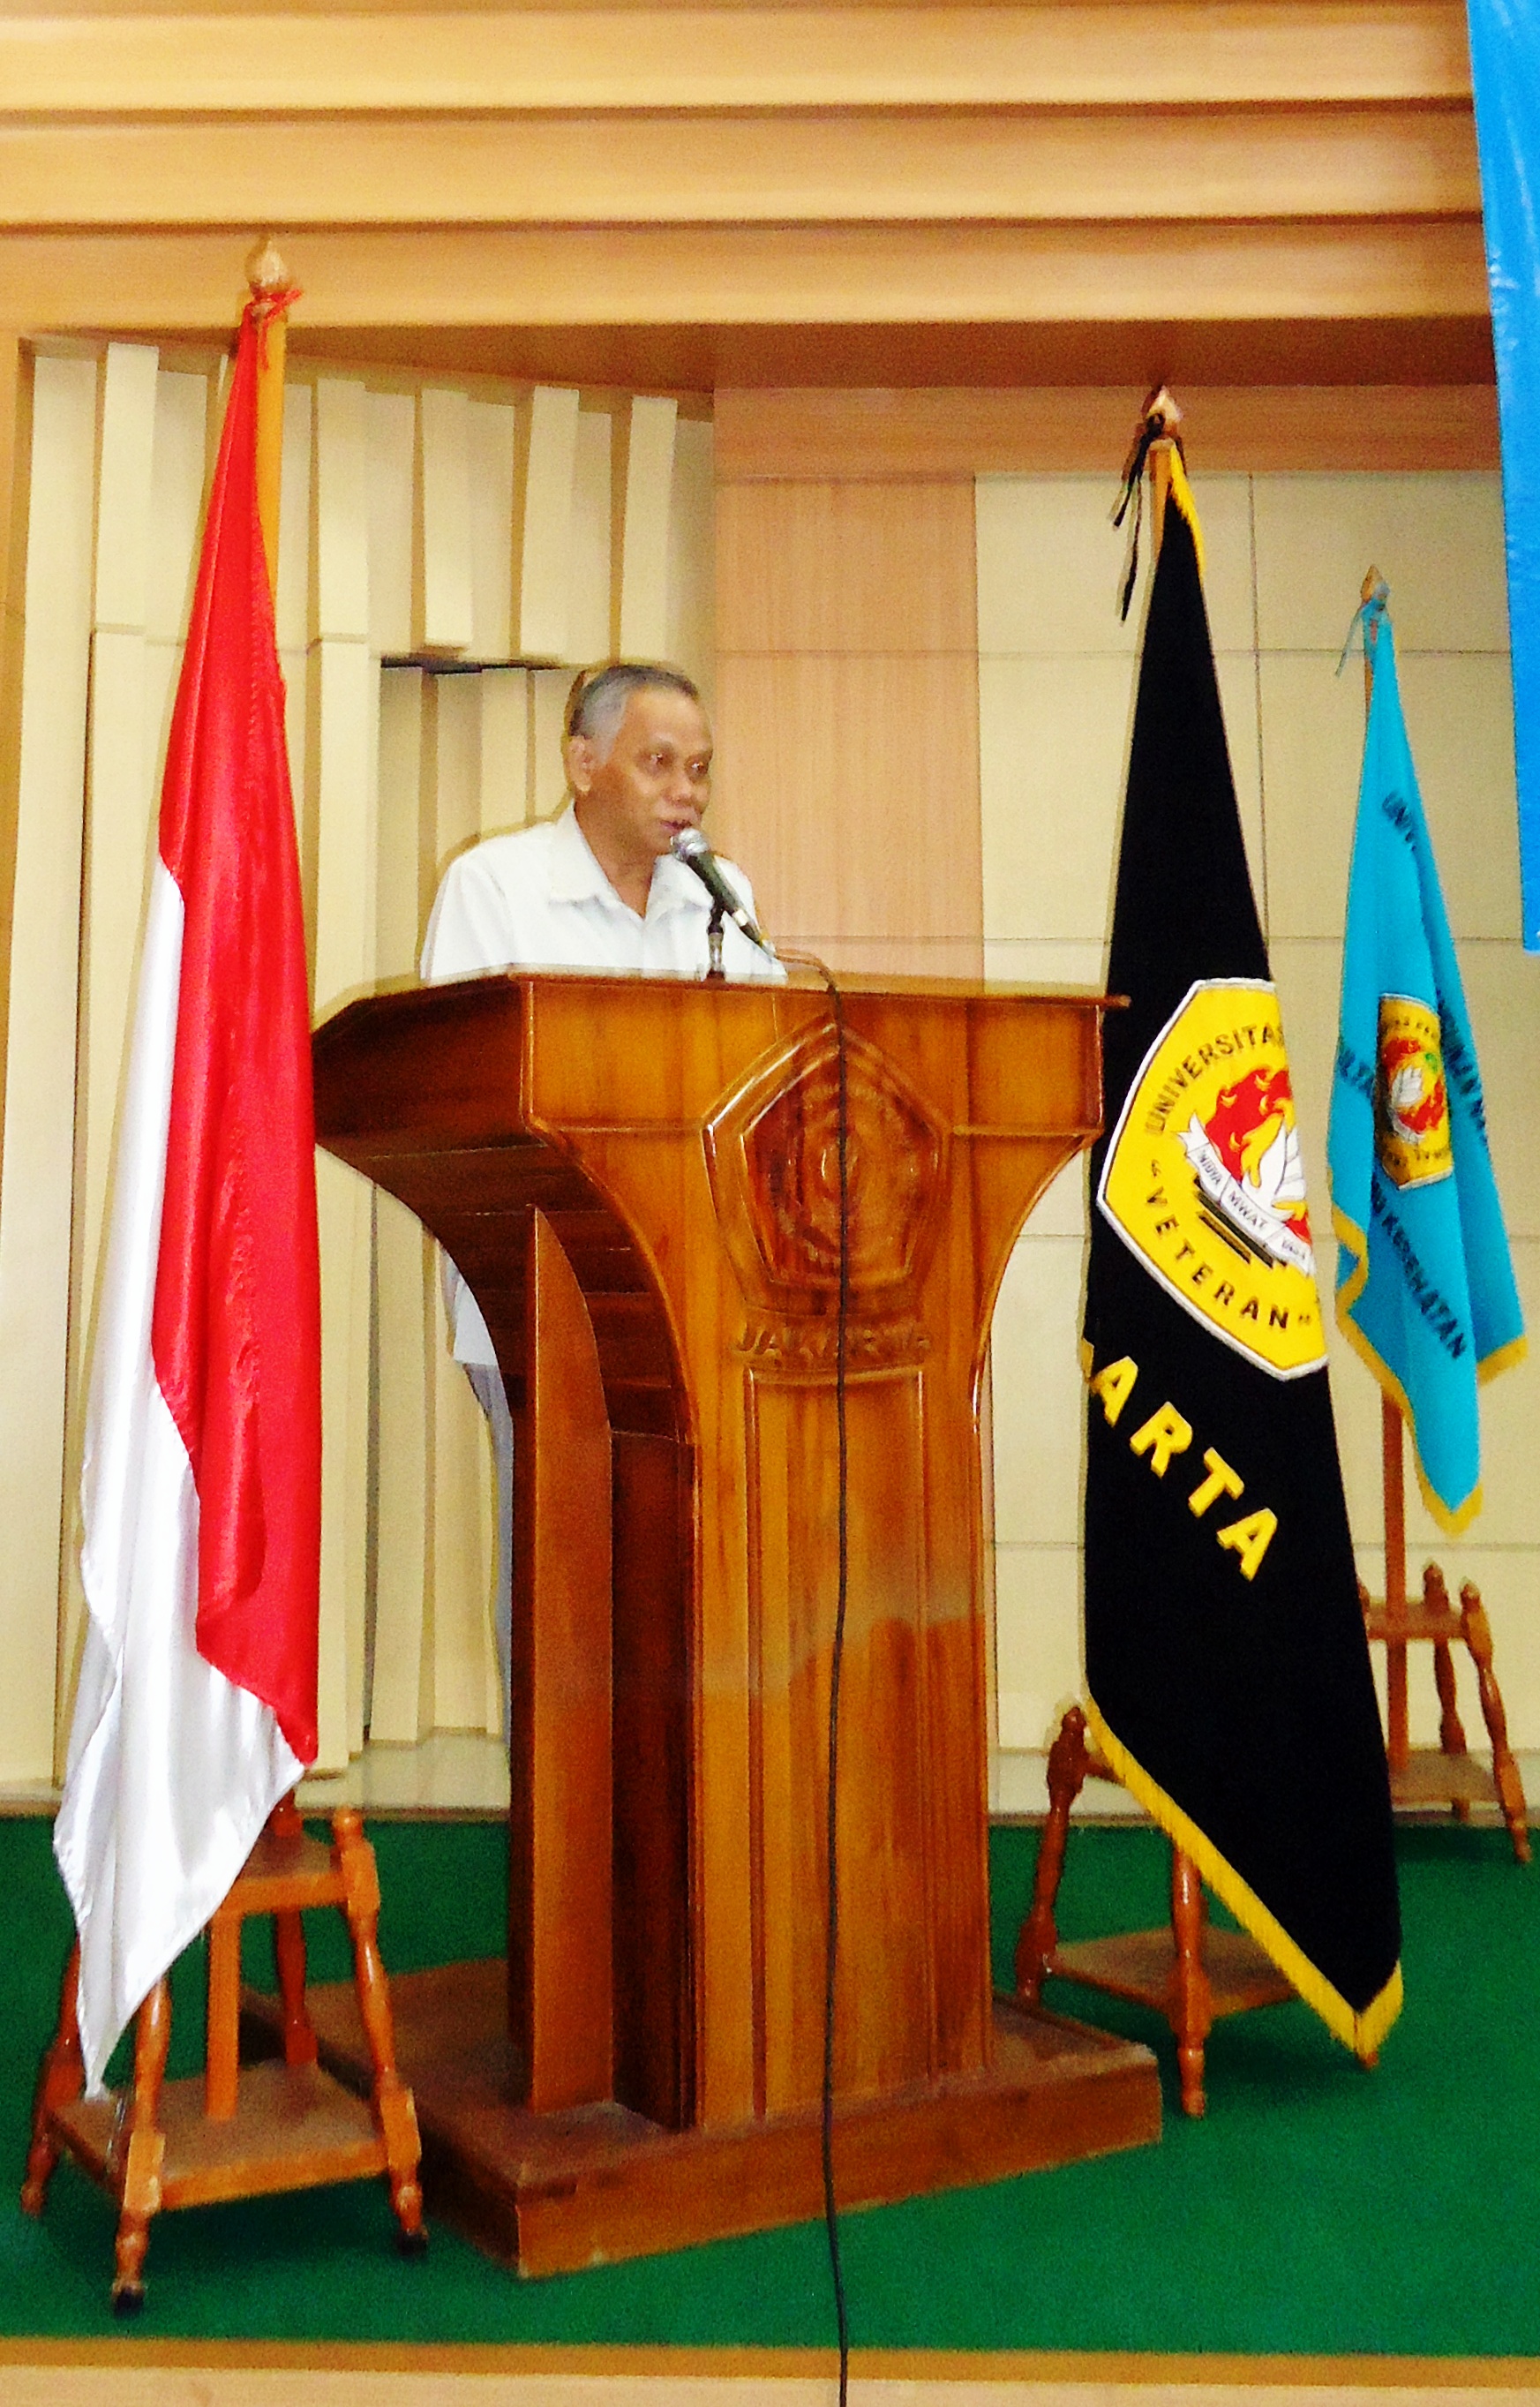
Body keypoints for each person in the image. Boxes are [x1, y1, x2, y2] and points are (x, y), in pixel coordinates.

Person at [419, 661, 784, 1724]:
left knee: (684, 1563)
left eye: (699, 769)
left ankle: (674, 1795)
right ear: (582, 764)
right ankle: (554, 1802)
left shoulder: (721, 897)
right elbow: (461, 1091)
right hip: (543, 1293)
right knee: (561, 1568)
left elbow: (766, 1074)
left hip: (697, 1295)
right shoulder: (495, 887)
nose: (685, 792)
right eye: (658, 763)